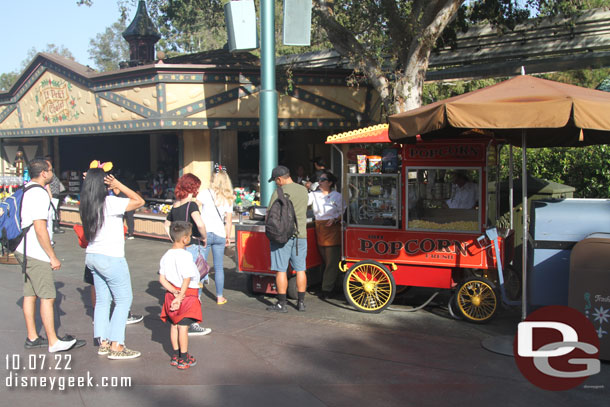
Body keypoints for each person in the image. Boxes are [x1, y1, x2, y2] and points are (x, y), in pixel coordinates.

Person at [16, 158, 85, 353]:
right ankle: (53, 341)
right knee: (47, 296)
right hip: (36, 251)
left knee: (30, 294)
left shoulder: (26, 189)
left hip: (23, 248)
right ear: (44, 173)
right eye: (51, 170)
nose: (53, 173)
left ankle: (32, 336)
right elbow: (40, 228)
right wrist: (52, 256)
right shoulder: (38, 194)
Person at [80, 166, 145, 360]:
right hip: (111, 257)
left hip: (92, 256)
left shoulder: (86, 203)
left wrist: (91, 179)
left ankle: (104, 342)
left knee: (102, 301)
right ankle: (117, 344)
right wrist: (119, 185)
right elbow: (139, 201)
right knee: (124, 300)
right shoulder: (110, 202)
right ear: (104, 185)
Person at [165, 173, 211, 336]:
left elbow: (166, 224)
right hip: (191, 246)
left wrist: (174, 239)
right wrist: (204, 237)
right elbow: (199, 223)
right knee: (194, 285)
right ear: (193, 187)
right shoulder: (192, 205)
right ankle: (191, 322)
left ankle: (179, 315)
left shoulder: (176, 205)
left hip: (178, 248)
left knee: (180, 283)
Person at [159, 221, 202, 369]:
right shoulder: (185, 256)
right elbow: (187, 278)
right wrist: (180, 296)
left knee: (174, 326)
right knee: (183, 327)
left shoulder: (166, 255)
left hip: (171, 294)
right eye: (189, 236)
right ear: (185, 239)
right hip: (186, 296)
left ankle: (175, 355)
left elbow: (162, 279)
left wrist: (173, 291)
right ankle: (184, 358)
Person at [266, 165, 309, 313]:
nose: (276, 183)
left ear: (279, 179)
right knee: (301, 269)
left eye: (275, 181)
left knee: (281, 270)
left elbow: (269, 215)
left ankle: (281, 304)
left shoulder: (279, 192)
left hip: (282, 236)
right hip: (301, 235)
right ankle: (301, 303)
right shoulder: (303, 190)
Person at [196, 164, 234, 305]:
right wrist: (228, 237)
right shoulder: (228, 197)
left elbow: (195, 209)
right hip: (219, 234)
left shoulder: (204, 193)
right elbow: (228, 221)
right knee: (218, 267)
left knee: (201, 266)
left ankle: (197, 297)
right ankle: (219, 296)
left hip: (204, 233)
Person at [308, 170, 345, 299]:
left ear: (329, 183)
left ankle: (326, 289)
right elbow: (304, 202)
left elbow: (344, 213)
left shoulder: (337, 196)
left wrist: (335, 219)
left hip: (332, 228)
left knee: (332, 261)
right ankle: (335, 284)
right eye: (320, 179)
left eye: (323, 180)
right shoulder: (314, 195)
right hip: (320, 227)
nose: (320, 181)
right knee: (325, 259)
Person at [44, 155, 65, 235]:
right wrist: (50, 194)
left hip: (55, 192)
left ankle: (55, 226)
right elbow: (48, 185)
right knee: (52, 211)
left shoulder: (51, 171)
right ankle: (55, 227)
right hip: (52, 193)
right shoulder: (47, 173)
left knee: (54, 210)